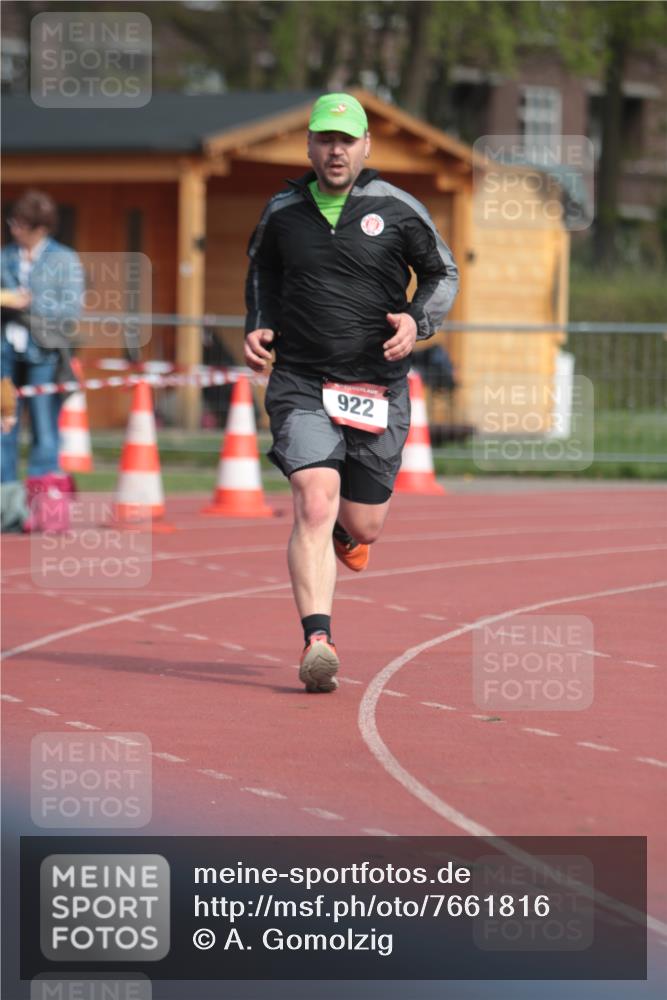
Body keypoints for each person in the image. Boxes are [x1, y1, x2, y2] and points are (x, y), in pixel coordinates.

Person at [244, 93, 458, 694]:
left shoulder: (396, 208)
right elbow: (261, 271)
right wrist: (257, 323)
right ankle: (318, 641)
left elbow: (443, 272)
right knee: (315, 500)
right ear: (310, 146)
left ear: (366, 147)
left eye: (345, 140)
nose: (334, 150)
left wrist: (418, 321)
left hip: (377, 385)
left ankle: (347, 533)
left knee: (363, 527)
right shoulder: (283, 210)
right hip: (303, 382)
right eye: (323, 139)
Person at [1, 189, 84, 484]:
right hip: (6, 353)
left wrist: (32, 301)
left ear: (40, 228)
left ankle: (42, 501)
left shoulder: (65, 260)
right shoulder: (5, 256)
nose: (14, 229)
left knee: (44, 427)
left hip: (44, 353)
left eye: (21, 224)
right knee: (4, 425)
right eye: (12, 222)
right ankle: (6, 503)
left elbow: (71, 311)